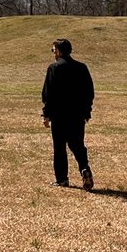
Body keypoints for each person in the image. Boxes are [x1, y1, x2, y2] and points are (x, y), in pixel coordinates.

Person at [41, 38, 95, 190]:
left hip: (59, 115)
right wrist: (87, 111)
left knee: (59, 147)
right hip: (77, 115)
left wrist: (46, 114)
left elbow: (48, 94)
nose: (53, 54)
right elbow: (89, 92)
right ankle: (84, 168)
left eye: (53, 50)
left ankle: (62, 179)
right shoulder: (81, 68)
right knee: (78, 145)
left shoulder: (54, 68)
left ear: (58, 51)